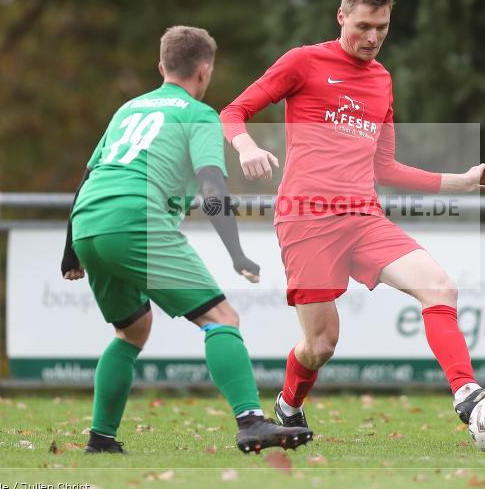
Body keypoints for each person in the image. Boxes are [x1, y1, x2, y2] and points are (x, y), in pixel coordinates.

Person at [219, 0, 485, 433]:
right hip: (307, 220)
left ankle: (467, 395)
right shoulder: (303, 62)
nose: (372, 38)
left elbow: (385, 168)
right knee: (321, 345)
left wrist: (459, 182)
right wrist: (247, 148)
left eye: (382, 28)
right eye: (363, 26)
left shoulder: (382, 80)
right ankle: (289, 406)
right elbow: (233, 111)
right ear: (341, 16)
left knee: (439, 287)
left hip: (364, 218)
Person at [60, 25, 312, 454]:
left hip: (87, 222)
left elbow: (88, 175)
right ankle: (251, 421)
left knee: (132, 329)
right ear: (205, 71)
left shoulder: (128, 109)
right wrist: (237, 254)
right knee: (222, 318)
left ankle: (101, 440)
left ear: (161, 67)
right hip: (135, 218)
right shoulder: (199, 115)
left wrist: (71, 251)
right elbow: (212, 188)